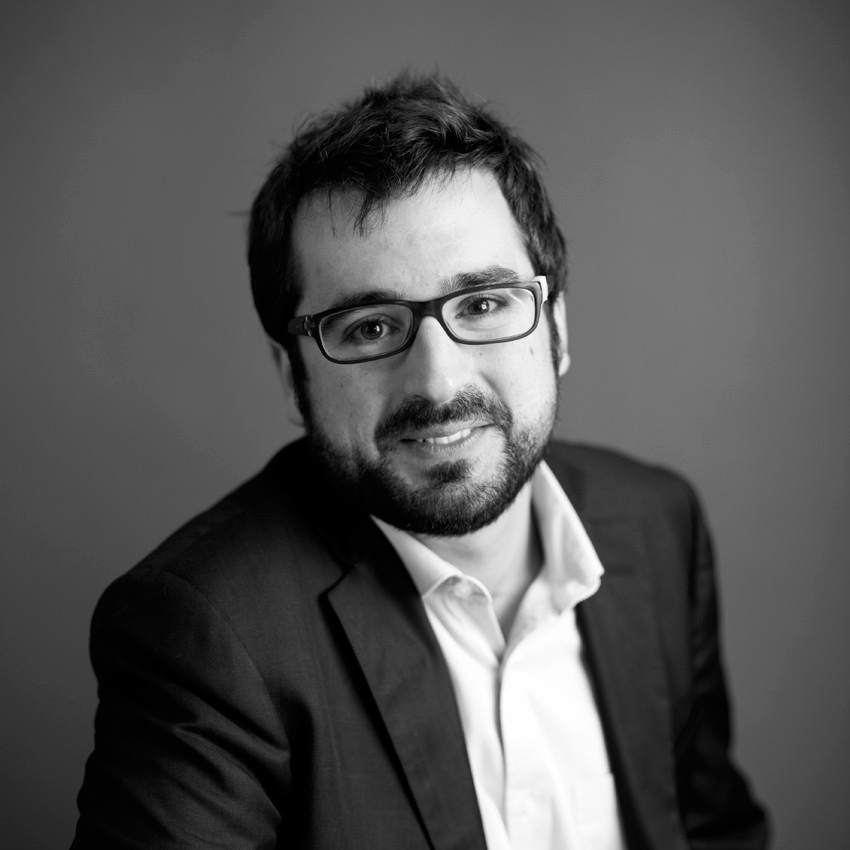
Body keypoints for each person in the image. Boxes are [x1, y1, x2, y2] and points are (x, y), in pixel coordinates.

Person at [71, 73, 768, 849]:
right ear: (292, 377)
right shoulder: (206, 636)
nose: (437, 383)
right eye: (369, 327)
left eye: (483, 304)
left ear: (557, 330)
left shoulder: (658, 524)